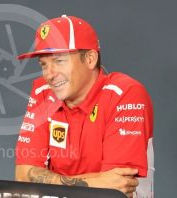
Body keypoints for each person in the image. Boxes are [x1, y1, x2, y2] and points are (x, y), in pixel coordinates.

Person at [15, 15, 154, 198]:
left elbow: (117, 190)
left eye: (59, 61)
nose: (49, 74)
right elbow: (23, 178)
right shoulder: (43, 91)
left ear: (90, 59)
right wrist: (96, 182)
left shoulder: (126, 93)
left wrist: (48, 184)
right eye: (43, 64)